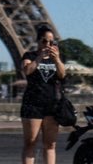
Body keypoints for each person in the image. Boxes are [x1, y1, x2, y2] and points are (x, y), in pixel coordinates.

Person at [19, 25, 66, 164]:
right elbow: (27, 71)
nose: (47, 44)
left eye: (51, 42)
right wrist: (40, 57)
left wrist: (57, 59)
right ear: (38, 41)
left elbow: (62, 75)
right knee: (31, 143)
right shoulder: (29, 56)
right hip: (33, 104)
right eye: (44, 41)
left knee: (51, 145)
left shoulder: (55, 58)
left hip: (52, 105)